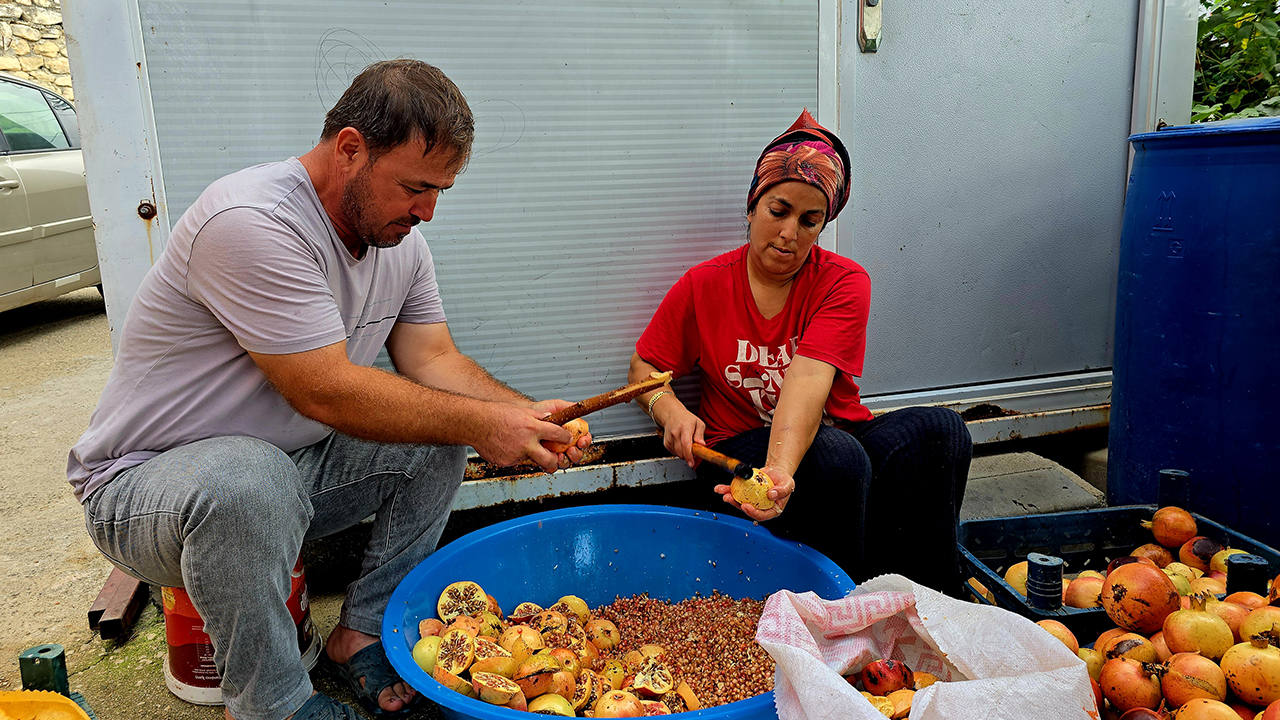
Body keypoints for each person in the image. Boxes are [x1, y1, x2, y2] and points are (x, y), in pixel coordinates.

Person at [68, 60, 590, 720]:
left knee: (437, 439)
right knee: (249, 479)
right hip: (145, 492)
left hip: (284, 474)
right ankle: (273, 705)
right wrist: (486, 425)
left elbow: (434, 360)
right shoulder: (251, 221)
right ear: (350, 149)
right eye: (415, 187)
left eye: (440, 192)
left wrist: (524, 414)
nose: (427, 211)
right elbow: (325, 393)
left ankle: (361, 633)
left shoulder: (398, 241)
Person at [628, 110, 971, 593]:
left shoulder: (844, 282)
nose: (789, 233)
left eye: (809, 220)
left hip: (824, 438)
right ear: (751, 207)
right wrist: (669, 410)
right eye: (778, 211)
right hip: (740, 449)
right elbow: (644, 366)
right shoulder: (704, 284)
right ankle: (841, 614)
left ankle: (932, 603)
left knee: (940, 431)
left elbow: (809, 381)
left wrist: (781, 473)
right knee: (837, 458)